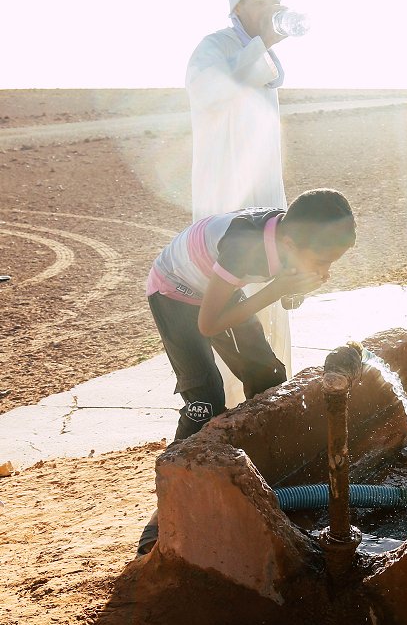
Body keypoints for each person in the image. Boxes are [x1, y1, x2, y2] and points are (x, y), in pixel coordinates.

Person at [136, 189, 356, 556]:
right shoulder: (244, 247)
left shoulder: (293, 234)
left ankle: (264, 473)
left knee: (268, 373)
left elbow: (283, 292)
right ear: (289, 241)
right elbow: (208, 324)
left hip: (214, 288)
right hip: (175, 291)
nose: (327, 268)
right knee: (205, 396)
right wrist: (279, 289)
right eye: (323, 259)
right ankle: (168, 507)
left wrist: (295, 287)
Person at [185, 0, 297, 400]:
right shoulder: (212, 47)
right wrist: (259, 47)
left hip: (264, 180)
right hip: (225, 184)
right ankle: (229, 400)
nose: (268, 10)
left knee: (272, 263)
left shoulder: (262, 52)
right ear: (238, 6)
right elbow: (209, 94)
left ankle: (272, 392)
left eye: (274, 2)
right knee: (230, 273)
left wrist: (262, 48)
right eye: (259, 1)